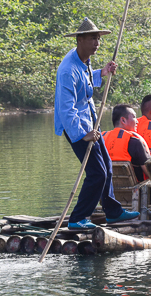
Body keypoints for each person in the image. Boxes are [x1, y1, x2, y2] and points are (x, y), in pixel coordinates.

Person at [54, 18, 140, 230]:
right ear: (80, 40)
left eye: (98, 38)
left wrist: (101, 73)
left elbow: (85, 80)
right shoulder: (68, 70)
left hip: (91, 122)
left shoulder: (83, 60)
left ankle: (112, 212)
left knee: (107, 167)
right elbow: (66, 110)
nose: (97, 43)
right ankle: (78, 218)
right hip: (78, 127)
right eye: (93, 38)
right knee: (97, 173)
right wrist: (83, 134)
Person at [102, 104, 151, 179]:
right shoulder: (134, 142)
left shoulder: (101, 139)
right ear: (123, 120)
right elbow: (149, 172)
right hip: (136, 188)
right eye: (134, 117)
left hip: (108, 187)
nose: (137, 121)